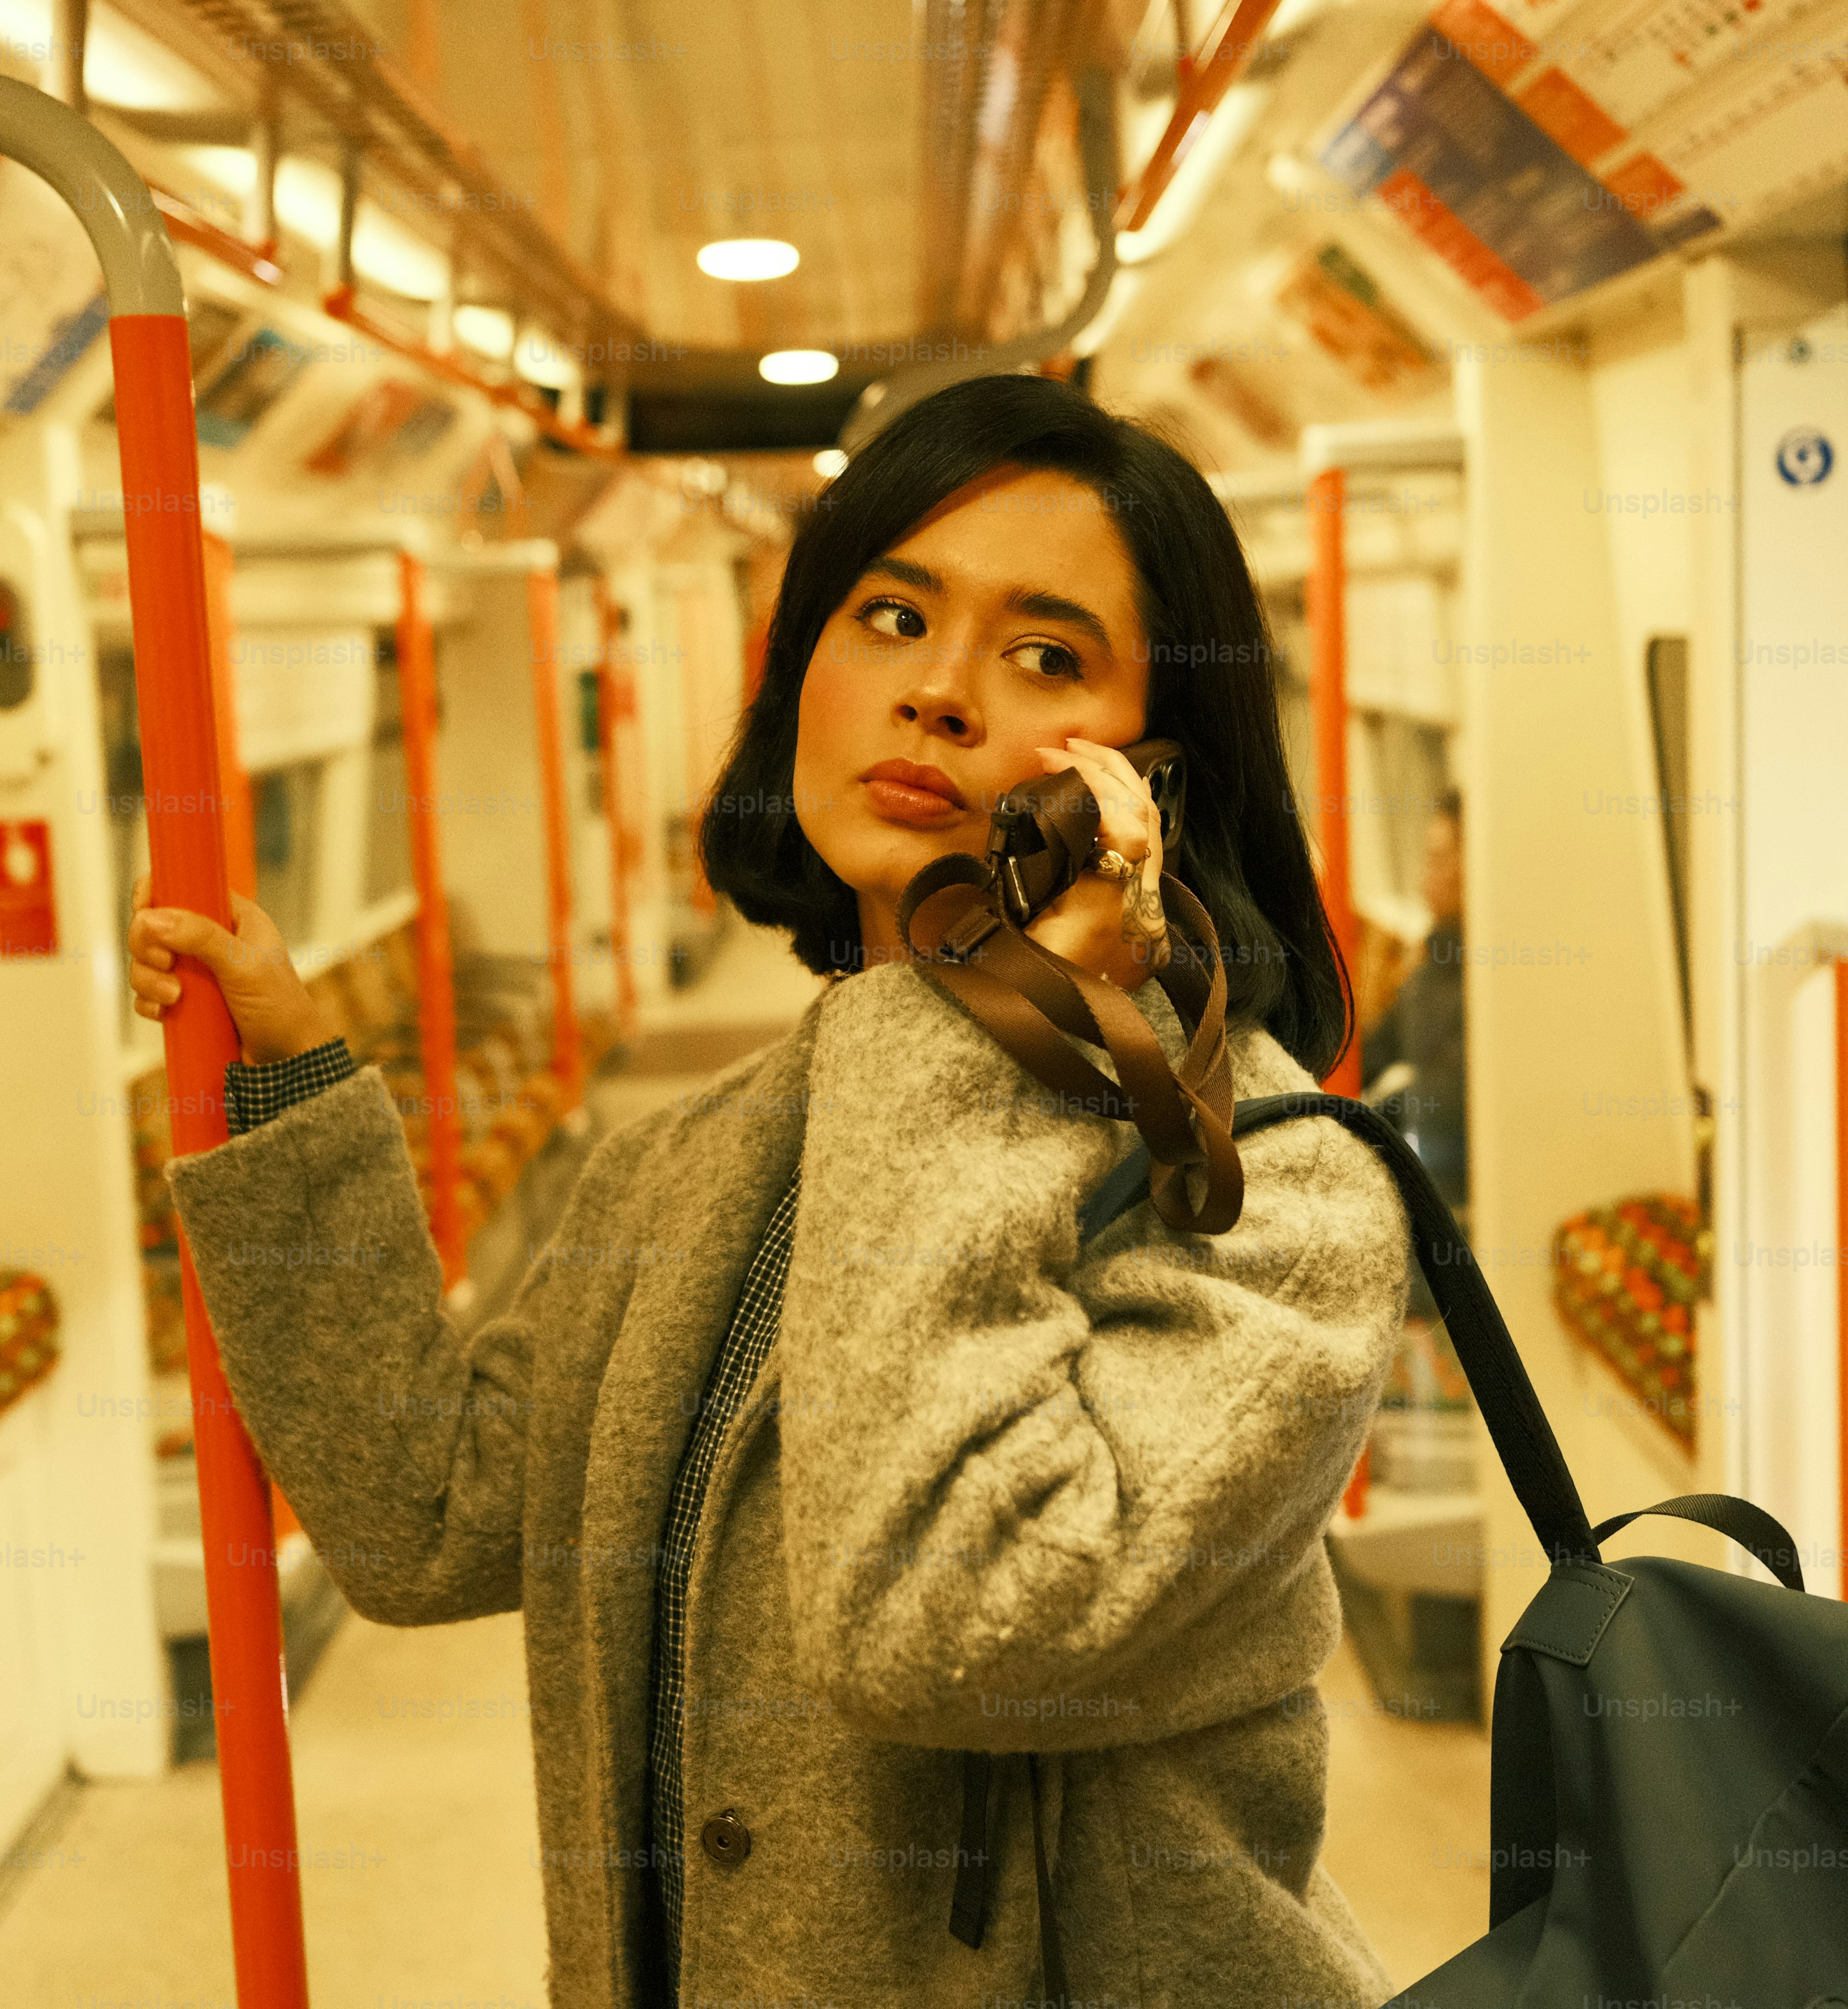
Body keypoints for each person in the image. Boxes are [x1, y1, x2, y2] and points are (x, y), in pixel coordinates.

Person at [127, 373, 1412, 2009]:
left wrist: (962, 1028)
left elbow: (941, 1618)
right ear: (797, 668)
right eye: (888, 617)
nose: (939, 693)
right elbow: (425, 1510)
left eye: (1042, 655)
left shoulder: (1268, 1204)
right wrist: (292, 1082)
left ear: (1149, 772)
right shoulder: (697, 1156)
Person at [1361, 789, 1468, 1210]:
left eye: (1437, 859)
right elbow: (1375, 1050)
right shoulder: (1431, 967)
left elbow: (1446, 1097)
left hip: (1458, 1195)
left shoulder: (1484, 979)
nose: (1426, 876)